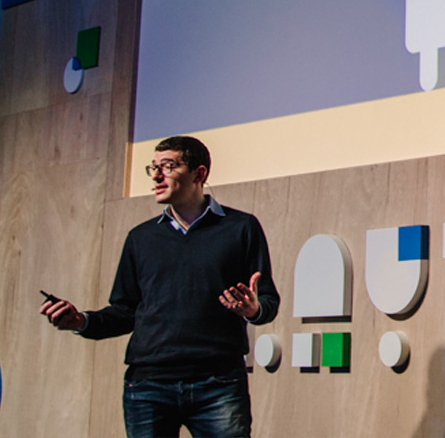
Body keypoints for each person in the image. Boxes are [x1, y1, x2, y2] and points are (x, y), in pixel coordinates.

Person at [40, 135, 279, 438]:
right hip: (148, 386)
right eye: (153, 168)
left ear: (199, 173)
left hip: (218, 384)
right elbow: (125, 311)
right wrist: (81, 321)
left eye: (167, 166)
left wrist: (254, 309)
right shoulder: (140, 238)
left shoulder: (240, 228)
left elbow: (268, 301)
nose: (156, 176)